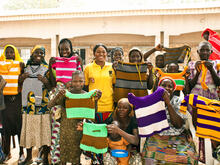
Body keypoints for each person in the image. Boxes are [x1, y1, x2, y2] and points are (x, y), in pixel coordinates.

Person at [48, 71, 102, 165]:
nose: (78, 83)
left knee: (76, 156)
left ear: (84, 82)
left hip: (78, 130)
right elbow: (50, 105)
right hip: (65, 129)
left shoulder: (86, 95)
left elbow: (93, 113)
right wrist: (58, 95)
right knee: (63, 155)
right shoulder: (66, 95)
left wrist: (96, 100)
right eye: (75, 81)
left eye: (80, 81)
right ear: (71, 82)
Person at [142, 78, 198, 164]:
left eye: (170, 86)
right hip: (157, 135)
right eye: (163, 85)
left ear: (173, 89)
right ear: (158, 87)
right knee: (150, 157)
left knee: (186, 157)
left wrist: (168, 103)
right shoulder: (152, 100)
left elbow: (178, 125)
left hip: (177, 135)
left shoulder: (179, 101)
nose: (166, 88)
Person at [48, 38, 82, 165]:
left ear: (71, 49)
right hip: (58, 94)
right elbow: (52, 81)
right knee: (57, 126)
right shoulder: (55, 61)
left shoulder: (76, 60)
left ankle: (73, 159)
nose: (64, 52)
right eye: (61, 49)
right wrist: (50, 65)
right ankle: (56, 158)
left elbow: (80, 77)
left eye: (66, 49)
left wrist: (80, 63)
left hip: (73, 95)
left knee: (73, 128)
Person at [188, 41, 220, 162]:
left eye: (207, 50)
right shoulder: (192, 64)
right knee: (196, 122)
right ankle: (198, 147)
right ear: (198, 52)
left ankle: (212, 149)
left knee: (211, 122)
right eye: (202, 50)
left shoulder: (217, 64)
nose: (205, 52)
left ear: (211, 52)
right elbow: (190, 85)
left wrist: (211, 69)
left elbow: (218, 83)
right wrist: (196, 71)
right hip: (196, 94)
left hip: (211, 96)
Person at [19, 45, 51, 165]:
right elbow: (19, 83)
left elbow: (51, 86)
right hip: (29, 106)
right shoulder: (25, 68)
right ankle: (28, 157)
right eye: (37, 52)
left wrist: (45, 81)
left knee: (44, 132)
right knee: (29, 131)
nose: (39, 55)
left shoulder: (47, 68)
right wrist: (22, 77)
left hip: (43, 106)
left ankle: (45, 159)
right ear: (32, 54)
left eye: (42, 53)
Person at [0, 44, 24, 162]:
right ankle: (6, 152)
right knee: (6, 128)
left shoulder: (20, 65)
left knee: (20, 127)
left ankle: (21, 153)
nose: (9, 54)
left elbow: (23, 82)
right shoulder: (0, 66)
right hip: (5, 101)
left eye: (11, 52)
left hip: (17, 100)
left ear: (15, 53)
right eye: (7, 52)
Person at [84, 43, 115, 123]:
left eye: (103, 52)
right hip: (93, 107)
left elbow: (114, 85)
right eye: (98, 52)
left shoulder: (112, 67)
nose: (101, 54)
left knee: (107, 133)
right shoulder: (88, 68)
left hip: (109, 106)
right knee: (93, 132)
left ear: (107, 53)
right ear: (94, 54)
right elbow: (85, 88)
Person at [106, 98, 140, 165]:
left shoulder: (132, 120)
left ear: (130, 110)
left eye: (125, 108)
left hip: (128, 150)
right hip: (112, 150)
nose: (121, 110)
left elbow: (136, 141)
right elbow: (103, 137)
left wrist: (118, 130)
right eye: (119, 107)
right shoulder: (112, 119)